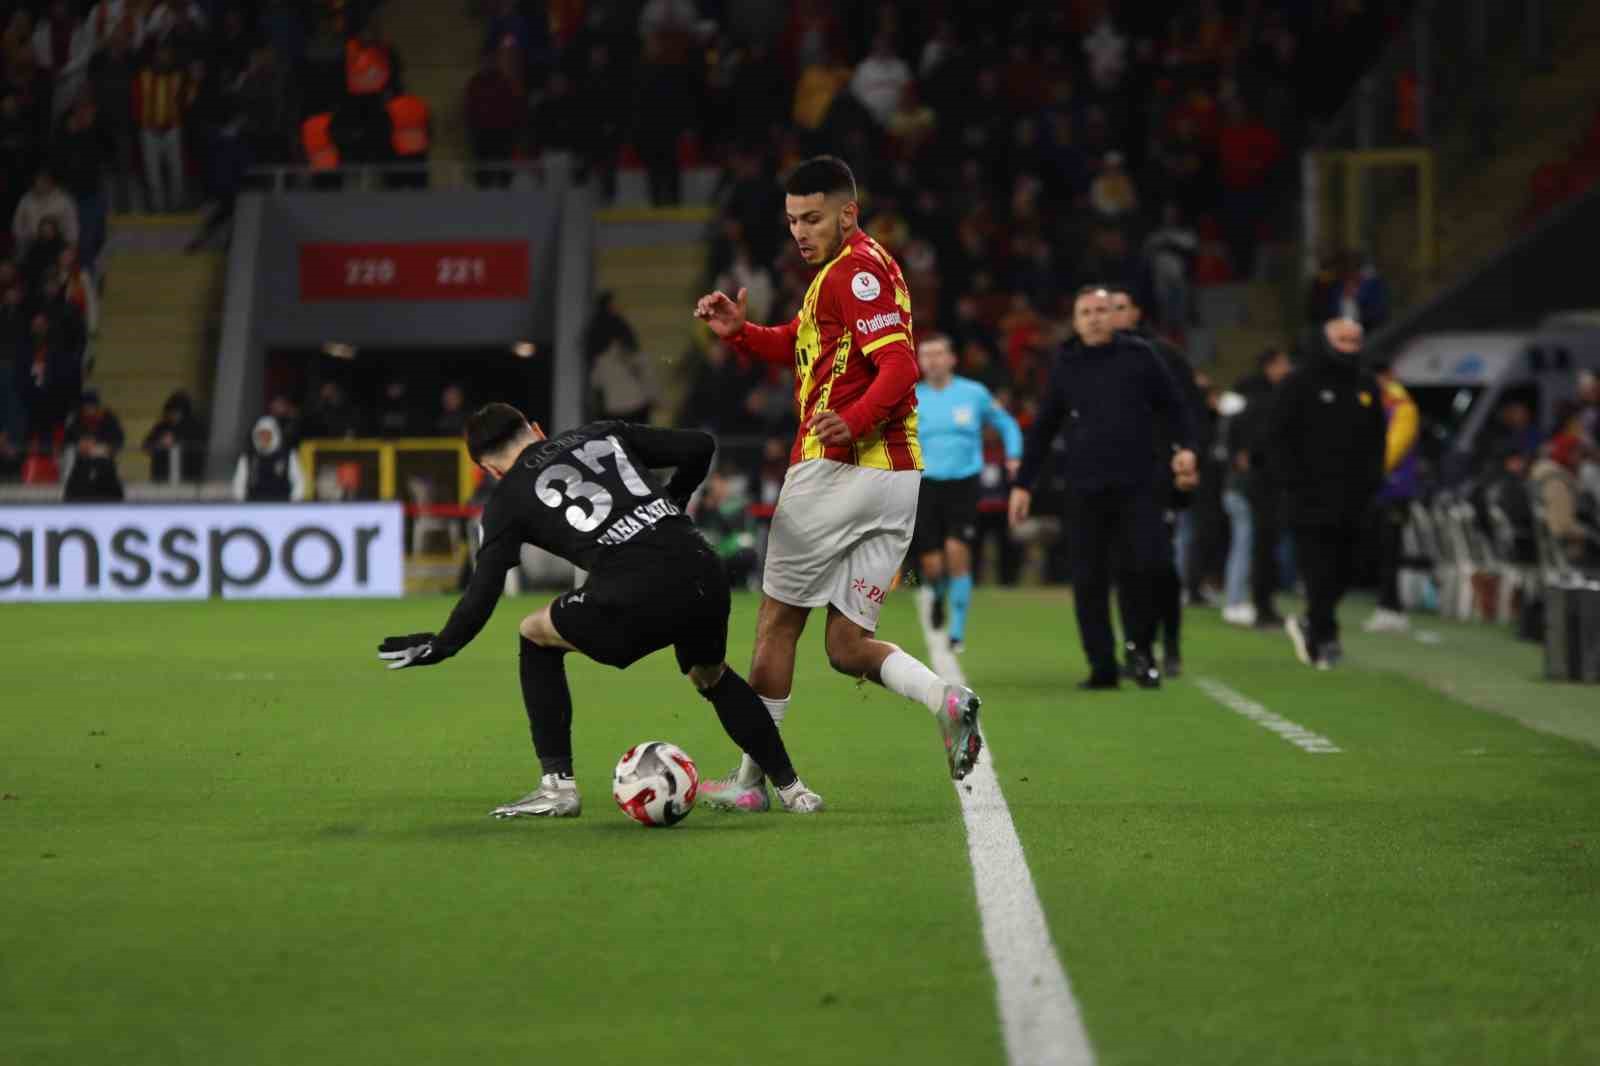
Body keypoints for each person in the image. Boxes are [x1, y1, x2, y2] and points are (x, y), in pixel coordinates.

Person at [693, 155, 982, 810]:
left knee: (775, 626)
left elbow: (901, 367)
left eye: (813, 217)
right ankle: (946, 699)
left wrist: (849, 422)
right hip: (896, 481)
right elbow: (804, 341)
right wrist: (745, 336)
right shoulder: (865, 267)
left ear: (847, 212)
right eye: (792, 219)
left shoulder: (850, 273)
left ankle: (750, 785)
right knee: (846, 645)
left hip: (835, 470)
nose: (799, 230)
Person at [375, 404, 824, 817]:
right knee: (711, 675)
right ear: (536, 429)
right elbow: (699, 445)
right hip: (700, 566)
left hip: (633, 590)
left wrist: (444, 644)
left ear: (488, 469)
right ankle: (794, 790)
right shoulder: (601, 433)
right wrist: (673, 501)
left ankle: (557, 788)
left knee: (533, 632)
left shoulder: (506, 498)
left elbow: (483, 591)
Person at [1008, 285, 1198, 690]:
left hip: (1140, 484)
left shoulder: (1141, 357)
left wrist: (1186, 449)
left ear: (1114, 316)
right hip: (1084, 488)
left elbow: (1176, 407)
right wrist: (1023, 484)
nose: (1095, 317)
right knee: (1088, 579)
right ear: (1075, 320)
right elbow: (1043, 429)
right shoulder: (1066, 364)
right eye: (1086, 312)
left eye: (1101, 310)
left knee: (1143, 568)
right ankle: (1101, 666)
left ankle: (1141, 650)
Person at [1270, 318, 1387, 670]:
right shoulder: (1298, 382)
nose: (1349, 347)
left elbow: (1376, 438)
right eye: (1342, 340)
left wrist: (1373, 481)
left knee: (1348, 568)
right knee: (1318, 566)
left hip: (1355, 496)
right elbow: (1278, 434)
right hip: (1309, 496)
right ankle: (1324, 635)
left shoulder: (1366, 385)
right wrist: (1291, 481)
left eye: (1355, 340)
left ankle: (1314, 621)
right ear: (1325, 341)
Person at [1106, 285, 1205, 678]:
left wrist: (1189, 456)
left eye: (1119, 307)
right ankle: (1136, 647)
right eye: (1103, 308)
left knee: (1159, 563)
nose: (1110, 315)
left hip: (1160, 474)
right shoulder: (1093, 358)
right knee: (1127, 566)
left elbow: (1191, 413)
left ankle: (1170, 642)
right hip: (1114, 477)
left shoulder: (1164, 356)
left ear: (1135, 313)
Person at [913, 333, 1022, 652]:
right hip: (925, 485)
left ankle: (957, 631)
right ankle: (935, 595)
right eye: (926, 355)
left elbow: (1007, 424)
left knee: (957, 552)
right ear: (919, 362)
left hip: (963, 484)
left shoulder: (973, 394)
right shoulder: (911, 398)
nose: (932, 361)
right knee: (932, 563)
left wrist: (1013, 454)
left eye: (938, 354)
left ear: (951, 359)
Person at [1225, 346, 1293, 628]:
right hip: (1258, 484)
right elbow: (1255, 443)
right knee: (1253, 544)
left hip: (1249, 482)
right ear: (1271, 366)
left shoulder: (1247, 399)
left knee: (1252, 544)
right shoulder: (1267, 401)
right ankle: (1243, 602)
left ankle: (1246, 601)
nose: (1288, 368)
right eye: (1284, 363)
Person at [1364, 360, 1420, 633]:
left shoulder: (1403, 408)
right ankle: (1389, 606)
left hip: (1395, 488)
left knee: (1390, 549)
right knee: (1382, 549)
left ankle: (1391, 608)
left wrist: (1367, 471)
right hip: (1381, 488)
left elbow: (1394, 448)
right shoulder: (1379, 404)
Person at [61, 387, 124, 501]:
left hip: (105, 465)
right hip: (82, 465)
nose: (89, 410)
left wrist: (103, 447)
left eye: (92, 406)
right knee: (75, 493)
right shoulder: (76, 419)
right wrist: (79, 444)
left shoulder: (109, 418)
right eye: (86, 406)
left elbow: (118, 440)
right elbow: (67, 440)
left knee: (110, 494)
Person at [232, 415, 306, 501]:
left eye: (267, 434)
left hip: (281, 506)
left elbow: (299, 482)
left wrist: (292, 504)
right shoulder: (248, 457)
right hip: (254, 507)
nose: (263, 438)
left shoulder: (288, 456)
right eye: (261, 435)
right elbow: (239, 484)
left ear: (274, 435)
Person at [142, 388, 205, 481]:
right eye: (171, 412)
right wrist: (160, 444)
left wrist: (178, 442)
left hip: (188, 477)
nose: (173, 416)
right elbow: (146, 446)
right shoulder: (162, 427)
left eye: (176, 412)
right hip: (162, 477)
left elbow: (199, 449)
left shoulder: (195, 428)